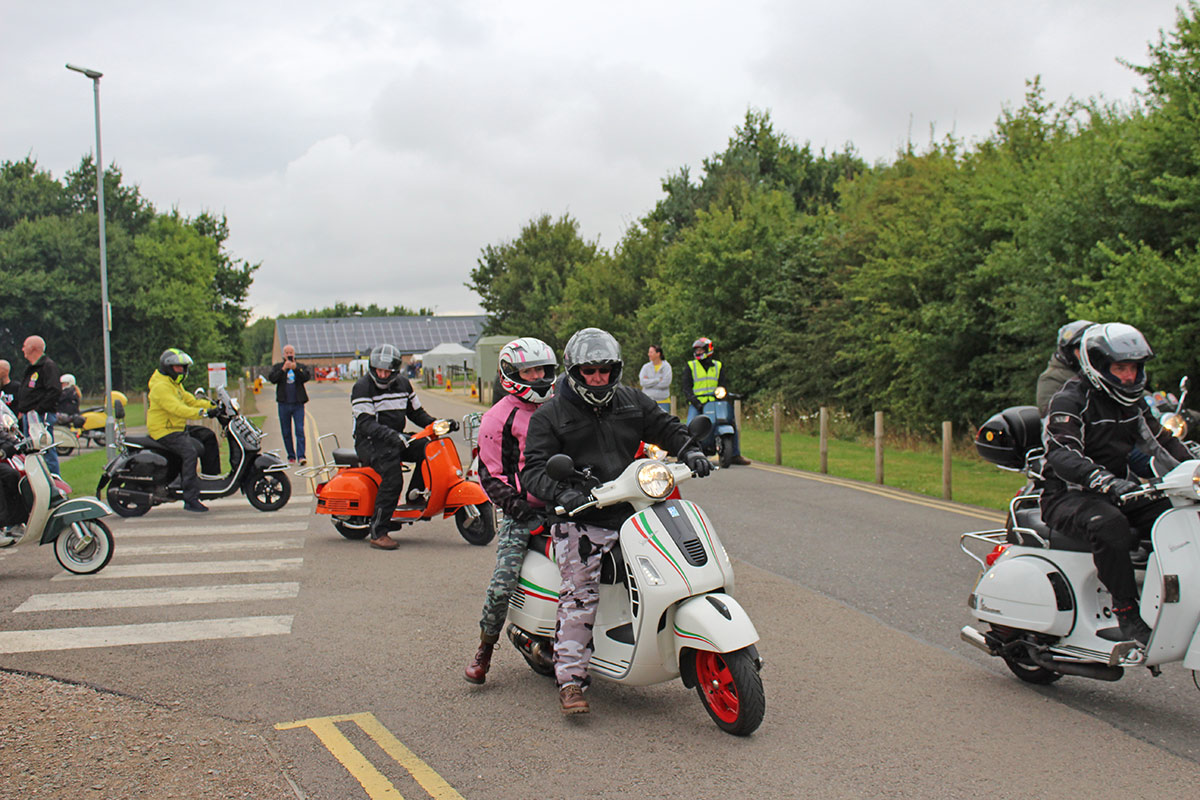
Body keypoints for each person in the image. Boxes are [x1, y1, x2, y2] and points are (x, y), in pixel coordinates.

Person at [521, 327, 712, 714]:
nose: (598, 378)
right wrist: (564, 493)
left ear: (615, 370)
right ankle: (571, 679)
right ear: (575, 371)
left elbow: (664, 425)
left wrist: (690, 450)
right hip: (579, 515)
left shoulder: (629, 400)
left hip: (632, 508)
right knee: (581, 589)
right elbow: (534, 471)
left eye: (605, 371)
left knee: (674, 559)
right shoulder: (550, 416)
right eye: (590, 371)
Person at [1039, 323, 1191, 645]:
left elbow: (1161, 443)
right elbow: (1062, 456)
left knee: (1175, 513)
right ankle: (1127, 615)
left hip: (1116, 491)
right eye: (1120, 368)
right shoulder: (1069, 400)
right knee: (1110, 525)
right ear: (1098, 366)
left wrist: (1193, 467)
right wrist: (1104, 481)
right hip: (1067, 496)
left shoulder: (1131, 403)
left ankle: (1179, 602)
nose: (1128, 376)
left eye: (1133, 368)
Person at [464, 337, 558, 684]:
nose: (537, 377)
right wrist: (520, 510)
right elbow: (488, 476)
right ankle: (484, 649)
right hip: (522, 512)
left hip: (564, 503)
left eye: (541, 370)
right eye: (529, 371)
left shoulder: (561, 406)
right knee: (502, 583)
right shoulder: (497, 418)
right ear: (510, 374)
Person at [352, 343, 451, 550]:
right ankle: (378, 531)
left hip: (397, 439)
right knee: (392, 476)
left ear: (395, 371)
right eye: (378, 370)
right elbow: (365, 423)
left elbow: (416, 413)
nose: (382, 374)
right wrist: (393, 435)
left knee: (427, 448)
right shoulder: (362, 387)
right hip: (371, 443)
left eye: (387, 371)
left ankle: (414, 496)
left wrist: (437, 424)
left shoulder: (404, 385)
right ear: (372, 368)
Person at [148, 348, 219, 513]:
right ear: (168, 367)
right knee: (190, 453)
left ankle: (211, 479)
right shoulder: (161, 386)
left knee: (207, 436)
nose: (183, 371)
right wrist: (204, 413)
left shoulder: (174, 384)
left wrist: (213, 405)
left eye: (184, 367)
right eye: (179, 367)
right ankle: (190, 498)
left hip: (176, 426)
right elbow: (178, 409)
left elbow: (191, 401)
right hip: (164, 430)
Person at [682, 336, 751, 466]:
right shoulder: (691, 366)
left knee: (730, 422)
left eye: (701, 350)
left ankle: (735, 454)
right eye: (697, 350)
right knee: (691, 426)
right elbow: (686, 388)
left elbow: (722, 384)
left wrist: (724, 394)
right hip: (698, 403)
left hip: (715, 401)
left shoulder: (718, 366)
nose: (698, 353)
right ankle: (686, 454)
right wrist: (695, 401)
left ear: (709, 350)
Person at [16, 335, 61, 474]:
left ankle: (53, 479)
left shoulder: (47, 366)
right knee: (31, 450)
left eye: (24, 345)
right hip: (29, 415)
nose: (22, 349)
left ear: (33, 348)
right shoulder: (32, 368)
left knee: (45, 448)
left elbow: (54, 390)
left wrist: (38, 409)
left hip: (40, 415)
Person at [1036, 319, 1095, 415]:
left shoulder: (1101, 372)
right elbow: (1051, 415)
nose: (1086, 352)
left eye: (1090, 347)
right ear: (1068, 351)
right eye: (1080, 348)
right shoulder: (1051, 378)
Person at [268, 345, 312, 465]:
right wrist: (283, 369)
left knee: (299, 430)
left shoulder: (301, 367)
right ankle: (291, 456)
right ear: (283, 354)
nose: (289, 354)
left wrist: (296, 369)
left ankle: (301, 456)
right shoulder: (278, 367)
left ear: (294, 353)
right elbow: (272, 379)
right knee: (286, 431)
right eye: (286, 352)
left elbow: (306, 377)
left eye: (291, 352)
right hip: (284, 404)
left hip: (298, 404)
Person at [637, 344, 673, 413]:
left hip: (663, 402)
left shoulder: (667, 367)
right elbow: (642, 382)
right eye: (649, 352)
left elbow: (665, 383)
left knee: (663, 423)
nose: (649, 354)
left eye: (651, 352)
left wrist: (649, 383)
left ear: (658, 354)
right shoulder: (645, 367)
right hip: (648, 401)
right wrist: (658, 380)